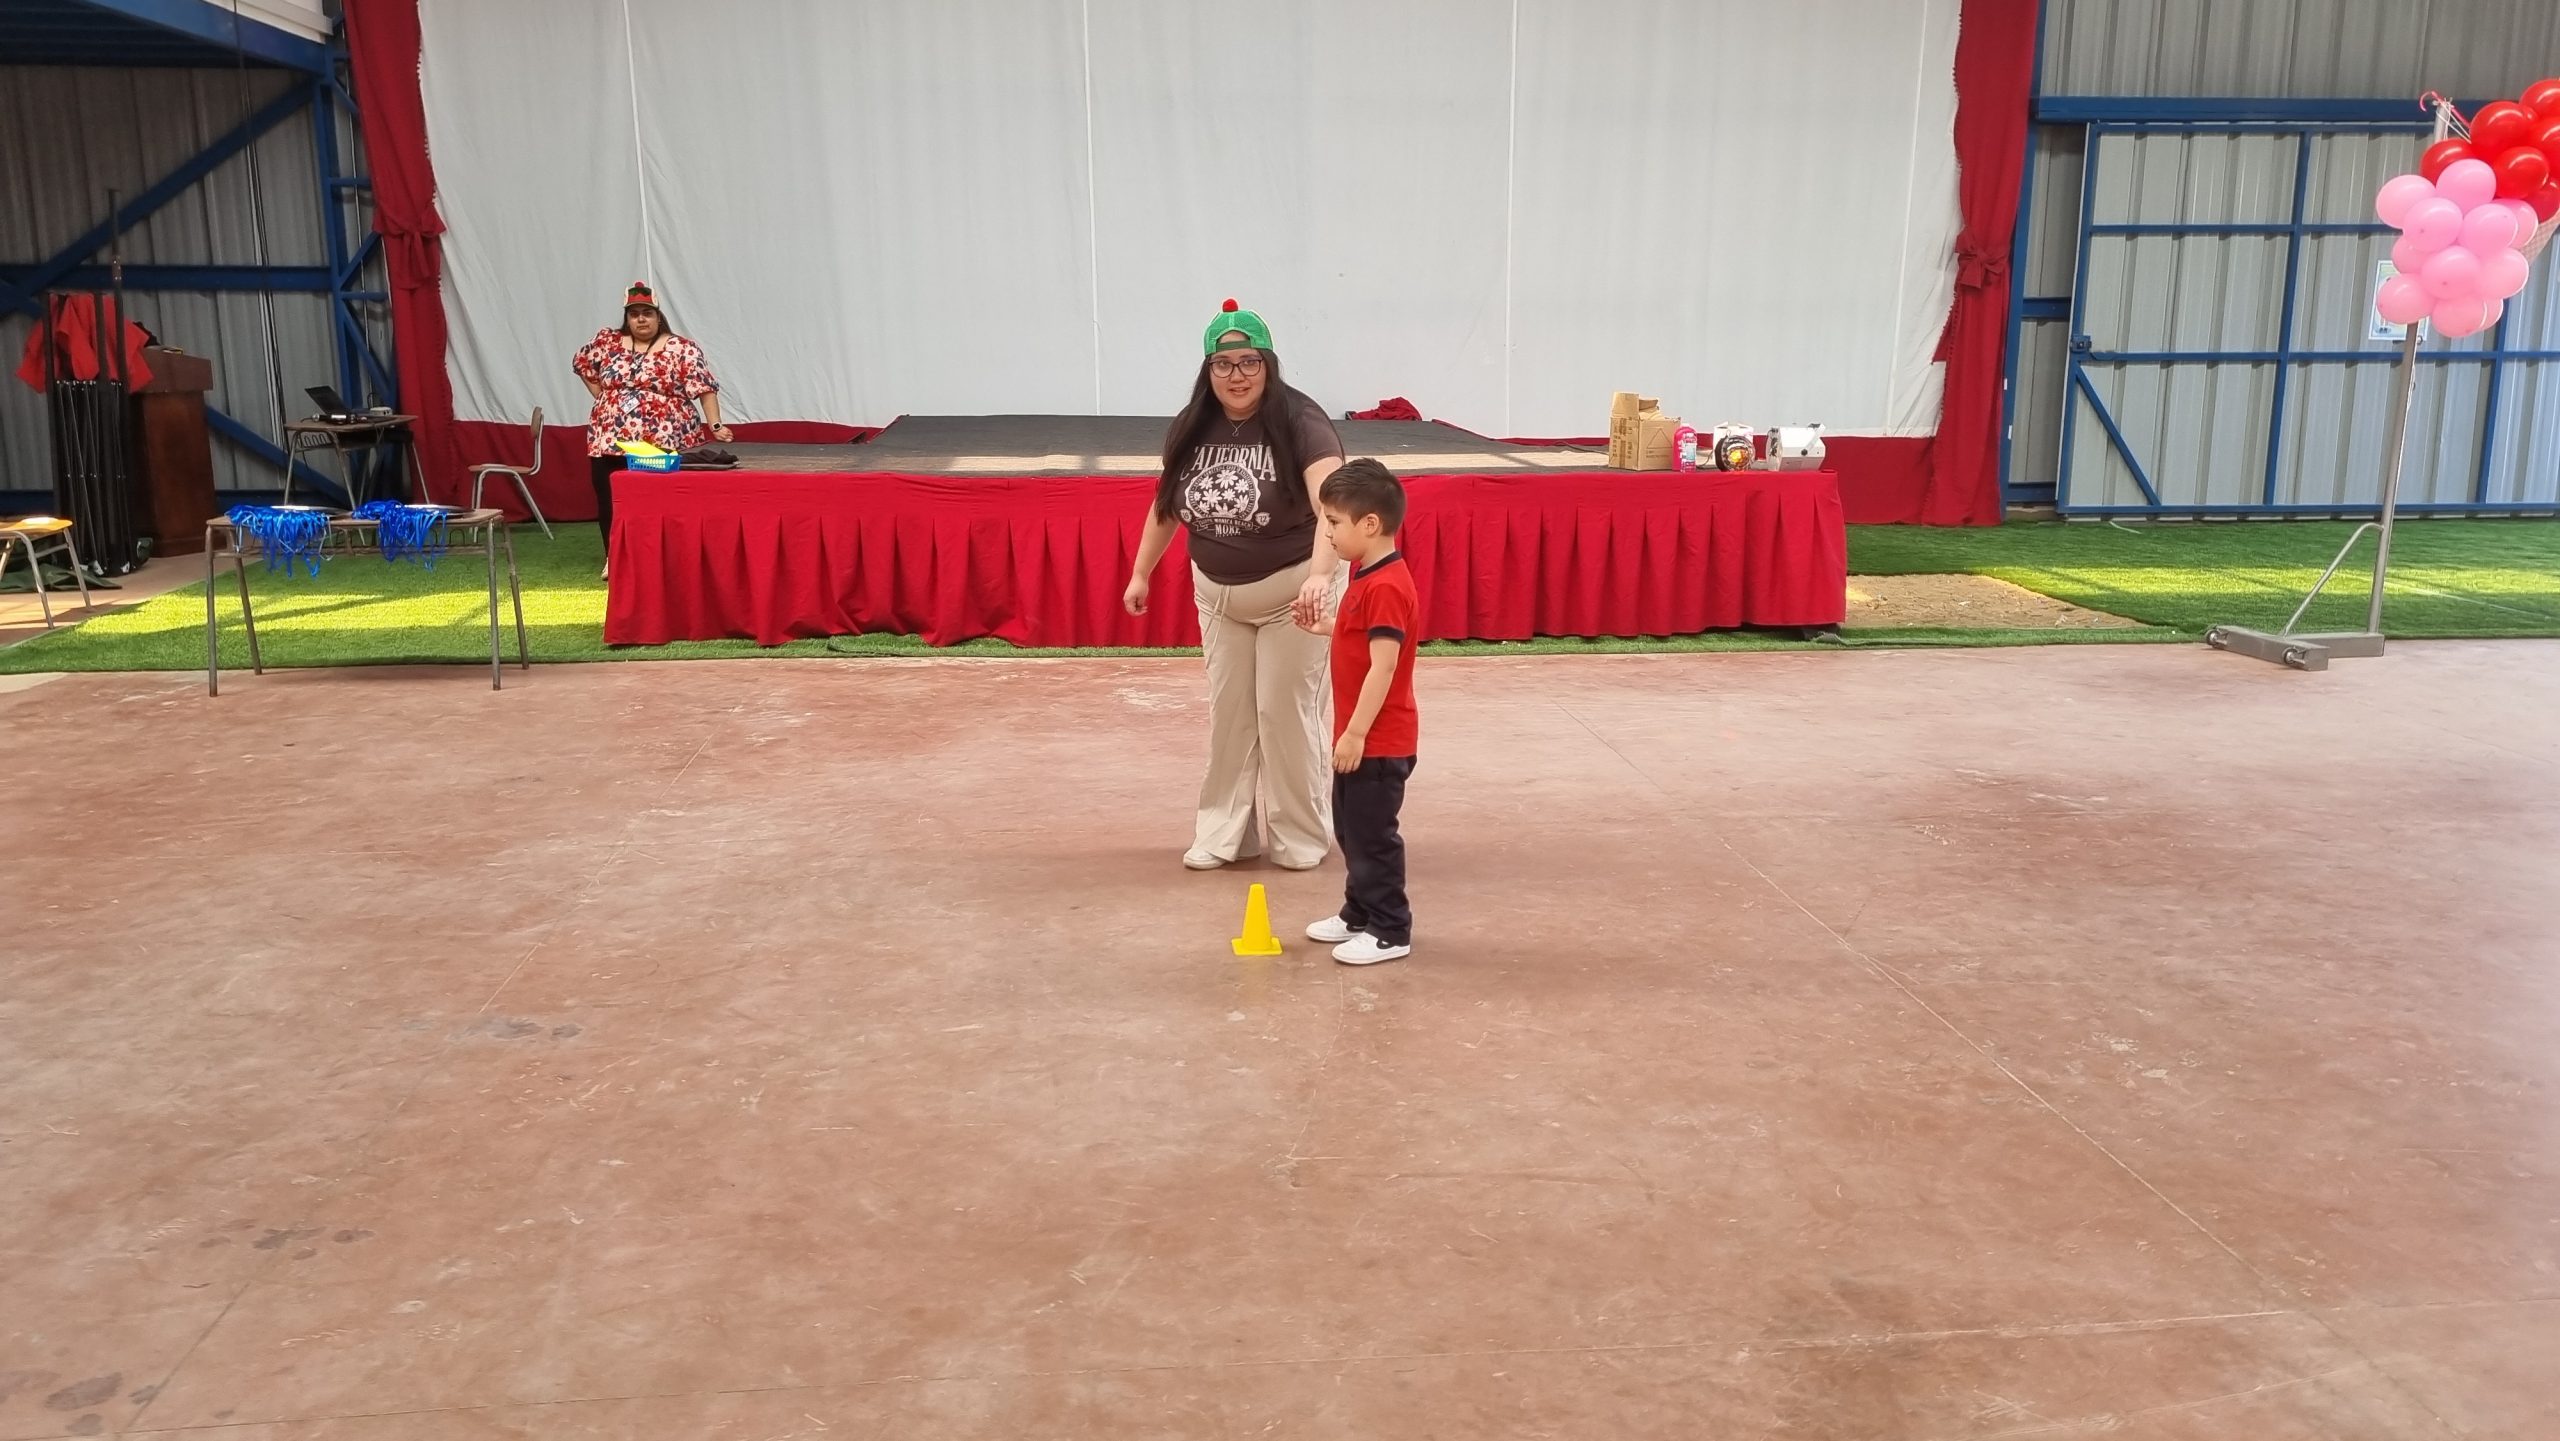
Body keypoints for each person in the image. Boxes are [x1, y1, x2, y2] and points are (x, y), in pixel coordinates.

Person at [1123, 300, 1345, 871]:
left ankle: (1300, 837)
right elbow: (1167, 503)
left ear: (1268, 363)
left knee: (1284, 714)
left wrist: (1321, 575)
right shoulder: (1192, 423)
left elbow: (1333, 502)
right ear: (1208, 369)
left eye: (1249, 362)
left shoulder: (1301, 420)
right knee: (1231, 718)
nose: (1236, 375)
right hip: (1218, 597)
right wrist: (1142, 571)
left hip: (1294, 594)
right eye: (1223, 365)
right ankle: (1225, 834)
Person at [1295, 458, 1420, 966]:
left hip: (1378, 741)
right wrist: (1327, 628)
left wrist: (1355, 734)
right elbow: (1361, 638)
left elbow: (1384, 667)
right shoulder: (1365, 574)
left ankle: (1390, 928)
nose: (1327, 533)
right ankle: (1359, 913)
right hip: (1360, 738)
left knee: (1372, 837)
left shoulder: (1387, 586)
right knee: (1349, 829)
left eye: (1333, 522)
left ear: (1370, 524)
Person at [572, 282, 730, 577]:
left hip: (663, 437)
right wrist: (605, 397)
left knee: (659, 497)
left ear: (658, 316)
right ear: (627, 318)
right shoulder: (608, 342)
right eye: (634, 314)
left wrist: (716, 424)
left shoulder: (681, 347)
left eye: (647, 313)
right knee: (610, 495)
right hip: (609, 438)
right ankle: (613, 556)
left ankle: (665, 556)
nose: (641, 320)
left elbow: (704, 387)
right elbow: (583, 364)